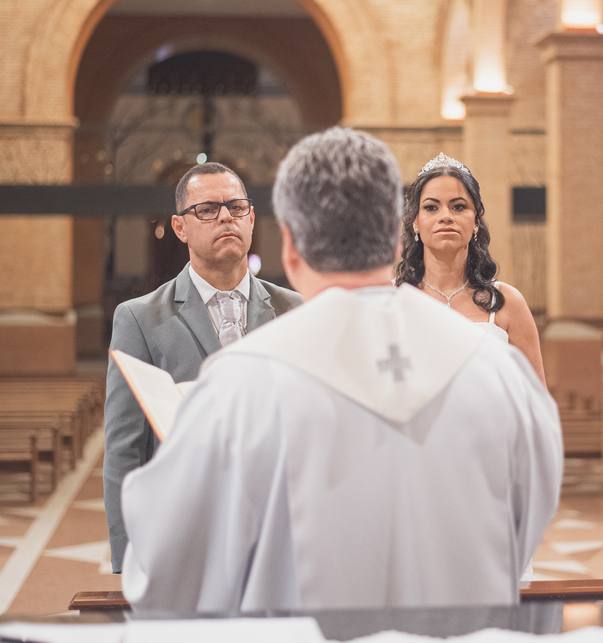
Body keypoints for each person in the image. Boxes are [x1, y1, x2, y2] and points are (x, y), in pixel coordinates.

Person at [120, 128, 562, 612]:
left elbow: (166, 570)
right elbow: (528, 519)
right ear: (395, 242)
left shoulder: (238, 385)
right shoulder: (497, 372)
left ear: (289, 246)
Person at [103, 162, 300, 574]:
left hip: (281, 530)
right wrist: (127, 556)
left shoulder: (294, 310)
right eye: (207, 210)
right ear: (179, 227)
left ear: (251, 218)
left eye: (236, 207)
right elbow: (124, 450)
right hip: (186, 532)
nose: (225, 216)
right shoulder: (140, 318)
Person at [395, 153, 546, 383]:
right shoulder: (391, 301)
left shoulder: (507, 303)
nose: (445, 216)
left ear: (476, 221)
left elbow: (536, 403)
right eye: (431, 208)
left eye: (458, 206)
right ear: (415, 221)